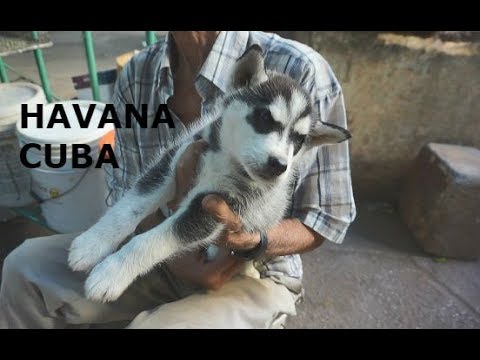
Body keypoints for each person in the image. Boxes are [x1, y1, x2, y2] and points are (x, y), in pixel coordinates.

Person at [0, 31, 356, 329]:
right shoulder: (139, 72)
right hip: (159, 242)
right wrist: (143, 245)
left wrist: (251, 241)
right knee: (24, 268)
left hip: (250, 269)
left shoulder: (303, 69)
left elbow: (327, 219)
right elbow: (128, 186)